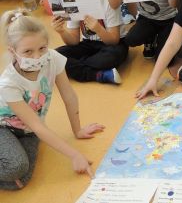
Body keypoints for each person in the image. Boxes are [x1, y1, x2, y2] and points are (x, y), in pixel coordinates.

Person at [0, 11, 104, 190]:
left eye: (42, 48)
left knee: (21, 180)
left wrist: (77, 130)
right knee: (16, 168)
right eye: (27, 52)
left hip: (28, 130)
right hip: (4, 127)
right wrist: (74, 155)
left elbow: (69, 96)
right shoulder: (8, 83)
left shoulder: (52, 58)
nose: (37, 57)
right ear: (13, 51)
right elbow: (37, 126)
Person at [53, 0, 128, 84]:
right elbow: (74, 41)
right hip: (88, 44)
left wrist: (98, 28)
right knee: (55, 56)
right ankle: (98, 74)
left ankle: (78, 66)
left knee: (111, 57)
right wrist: (61, 31)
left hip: (112, 45)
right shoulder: (71, 1)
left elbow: (114, 40)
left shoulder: (108, 0)